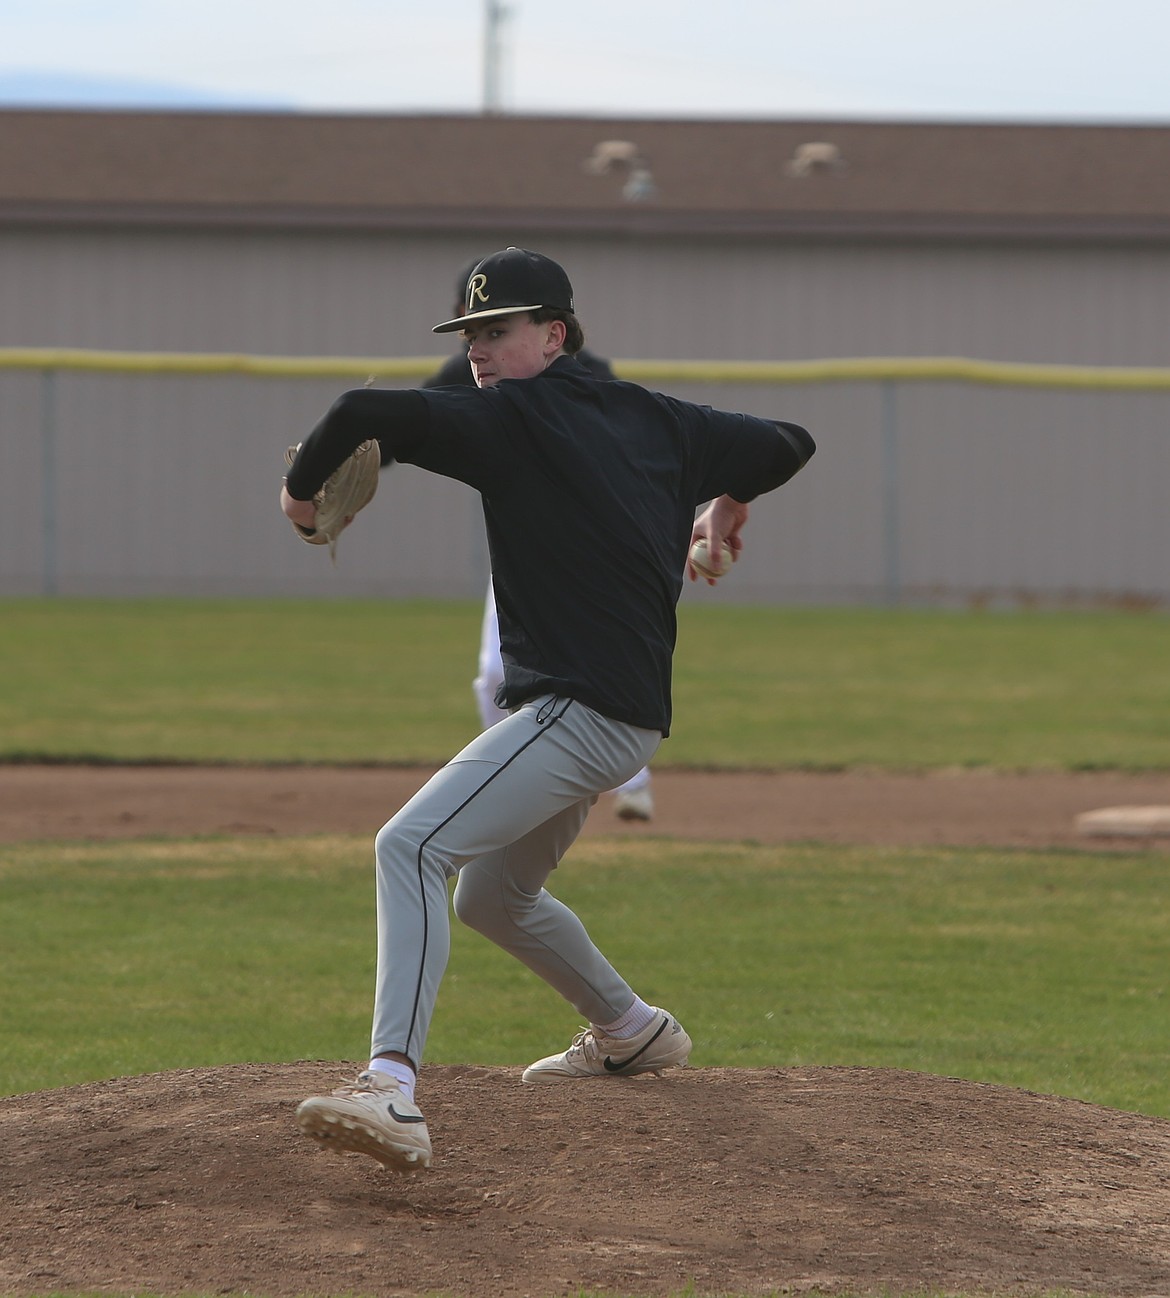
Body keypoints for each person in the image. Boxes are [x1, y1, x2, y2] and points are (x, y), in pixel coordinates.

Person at [282, 247, 815, 1173]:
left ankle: (391, 1090)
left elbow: (359, 415)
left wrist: (297, 502)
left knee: (409, 847)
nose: (479, 350)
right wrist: (727, 504)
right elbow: (787, 441)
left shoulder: (510, 420)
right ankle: (631, 1029)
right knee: (494, 895)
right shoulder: (660, 418)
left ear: (554, 334)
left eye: (499, 330)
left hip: (580, 710)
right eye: (471, 333)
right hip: (620, 716)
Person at [423, 260, 656, 822]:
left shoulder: (587, 374)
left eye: (493, 323)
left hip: (597, 555)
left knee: (604, 675)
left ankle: (634, 784)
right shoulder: (465, 371)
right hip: (523, 554)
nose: (477, 338)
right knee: (494, 674)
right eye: (469, 323)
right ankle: (512, 789)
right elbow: (409, 422)